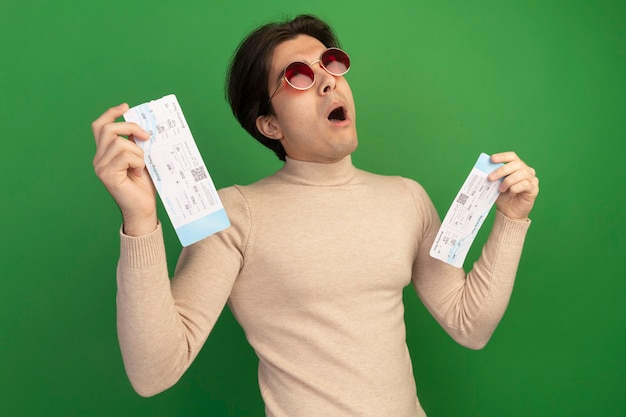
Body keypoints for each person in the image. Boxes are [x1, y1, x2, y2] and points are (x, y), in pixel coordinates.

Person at [91, 14, 539, 417]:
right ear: (270, 125)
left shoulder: (407, 198)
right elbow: (153, 373)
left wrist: (511, 220)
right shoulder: (234, 215)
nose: (328, 81)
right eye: (298, 76)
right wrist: (140, 222)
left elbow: (470, 324)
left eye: (331, 64)